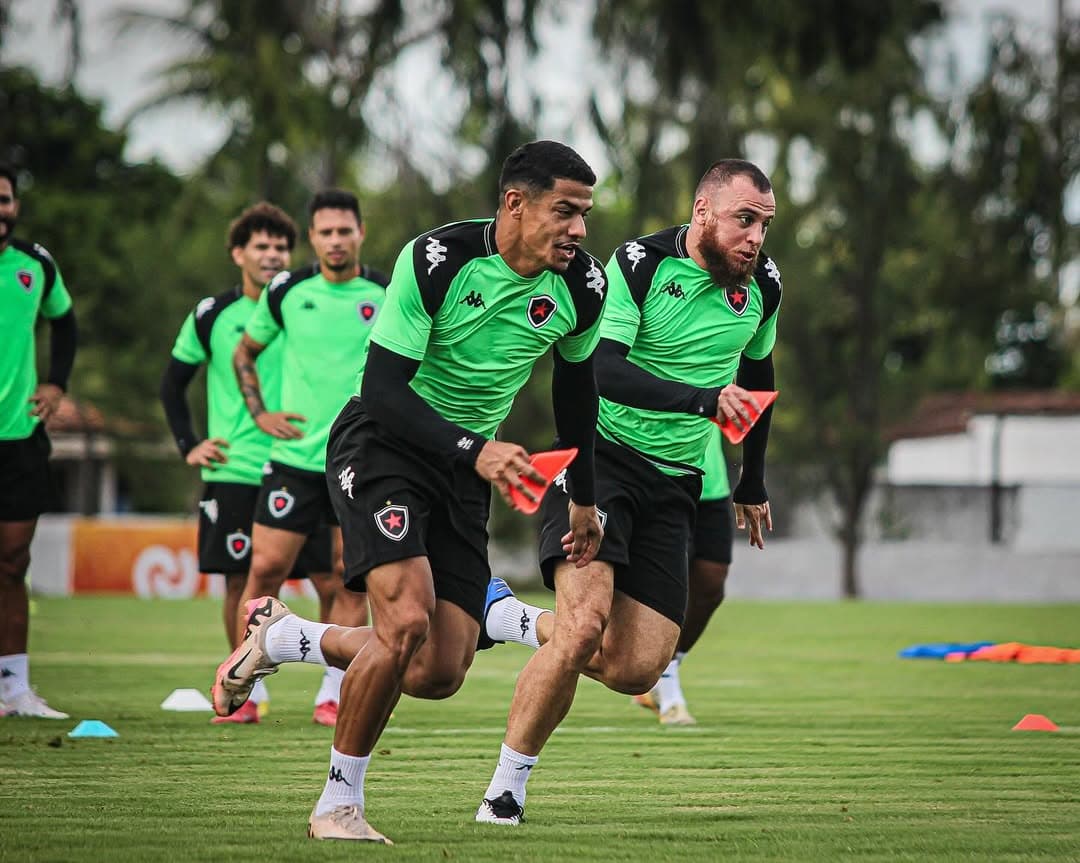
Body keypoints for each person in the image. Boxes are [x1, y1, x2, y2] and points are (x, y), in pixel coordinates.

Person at [210, 140, 608, 843]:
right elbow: (383, 392)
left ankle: (287, 635)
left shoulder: (581, 286)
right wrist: (476, 447)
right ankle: (338, 804)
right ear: (516, 204)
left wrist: (584, 492)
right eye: (565, 211)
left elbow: (577, 388)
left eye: (585, 214)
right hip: (383, 445)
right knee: (404, 620)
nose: (579, 230)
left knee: (438, 667)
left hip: (460, 473)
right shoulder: (438, 260)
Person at [474, 158, 780, 824]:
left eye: (764, 224)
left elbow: (759, 377)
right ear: (703, 212)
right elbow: (603, 372)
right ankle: (505, 791)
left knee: (637, 667)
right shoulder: (640, 264)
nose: (755, 238)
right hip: (601, 464)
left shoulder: (764, 288)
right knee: (583, 626)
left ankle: (504, 618)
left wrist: (751, 479)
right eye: (743, 220)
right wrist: (703, 401)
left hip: (674, 484)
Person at [160, 202, 343, 724]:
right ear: (238, 253)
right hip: (237, 468)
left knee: (333, 579)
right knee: (243, 582)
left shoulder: (303, 303)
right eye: (261, 246)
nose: (272, 255)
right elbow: (173, 383)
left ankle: (332, 693)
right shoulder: (213, 314)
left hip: (301, 463)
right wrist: (187, 444)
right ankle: (248, 693)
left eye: (281, 246)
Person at [225, 189, 386, 727]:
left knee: (347, 577)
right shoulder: (287, 290)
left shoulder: (387, 291)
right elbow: (243, 352)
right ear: (312, 238)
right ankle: (245, 682)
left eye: (345, 231)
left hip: (359, 459)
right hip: (293, 458)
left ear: (360, 232)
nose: (336, 241)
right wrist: (260, 412)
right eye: (326, 232)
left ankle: (333, 692)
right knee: (266, 567)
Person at [0, 162, 77, 719]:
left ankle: (14, 686)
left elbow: (65, 322)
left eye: (3, 199)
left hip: (20, 437)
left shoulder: (35, 265)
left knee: (11, 562)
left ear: (14, 205)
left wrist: (57, 383)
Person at [631, 422, 740, 725]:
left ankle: (665, 668)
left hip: (711, 480)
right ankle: (670, 697)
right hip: (661, 474)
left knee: (711, 583)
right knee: (672, 587)